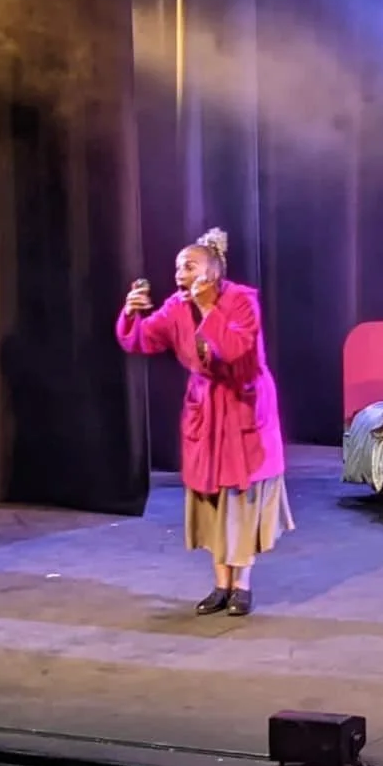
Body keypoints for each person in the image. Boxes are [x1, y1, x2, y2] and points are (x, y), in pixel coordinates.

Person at [118, 226, 292, 616]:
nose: (179, 274)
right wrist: (131, 313)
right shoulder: (177, 306)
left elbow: (233, 349)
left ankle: (242, 585)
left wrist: (211, 309)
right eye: (178, 267)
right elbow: (142, 339)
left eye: (189, 266)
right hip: (206, 410)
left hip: (243, 405)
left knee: (240, 499)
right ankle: (220, 584)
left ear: (212, 272)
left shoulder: (243, 301)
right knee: (210, 497)